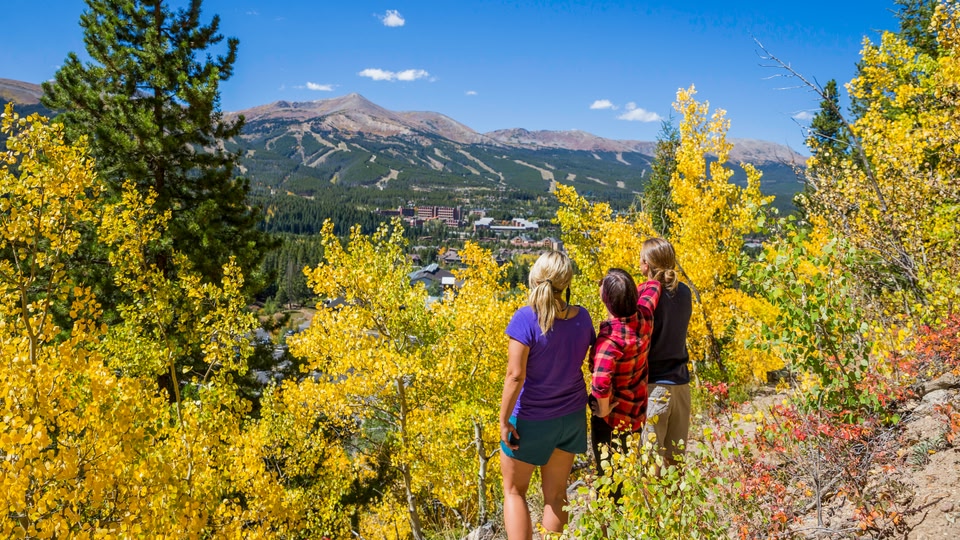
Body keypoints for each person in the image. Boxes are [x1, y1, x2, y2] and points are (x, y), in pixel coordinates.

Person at [499, 251, 595, 539]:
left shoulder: (526, 319)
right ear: (566, 282)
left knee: (515, 492)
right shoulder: (583, 318)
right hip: (572, 417)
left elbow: (515, 375)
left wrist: (504, 421)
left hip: (532, 420)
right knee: (556, 493)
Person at [589, 268, 661, 478]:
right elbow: (654, 287)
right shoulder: (644, 316)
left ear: (606, 301)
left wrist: (602, 411)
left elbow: (600, 383)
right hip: (636, 414)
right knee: (629, 473)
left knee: (610, 479)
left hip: (611, 421)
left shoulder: (609, 342)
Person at [639, 237, 693, 468]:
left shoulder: (644, 295)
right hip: (681, 386)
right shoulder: (684, 293)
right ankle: (675, 506)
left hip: (654, 389)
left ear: (646, 265)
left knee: (651, 467)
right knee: (675, 466)